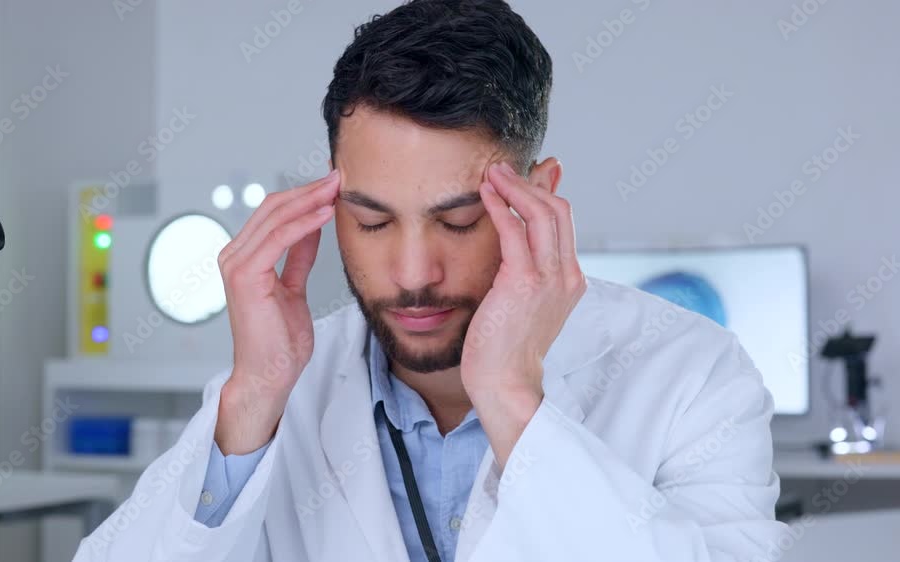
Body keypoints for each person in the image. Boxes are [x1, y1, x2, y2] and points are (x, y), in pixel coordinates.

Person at [72, 1, 787, 560]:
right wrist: (253, 397)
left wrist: (513, 400)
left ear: (540, 198)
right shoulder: (282, 387)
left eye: (460, 220)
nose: (414, 275)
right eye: (373, 222)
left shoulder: (695, 376)